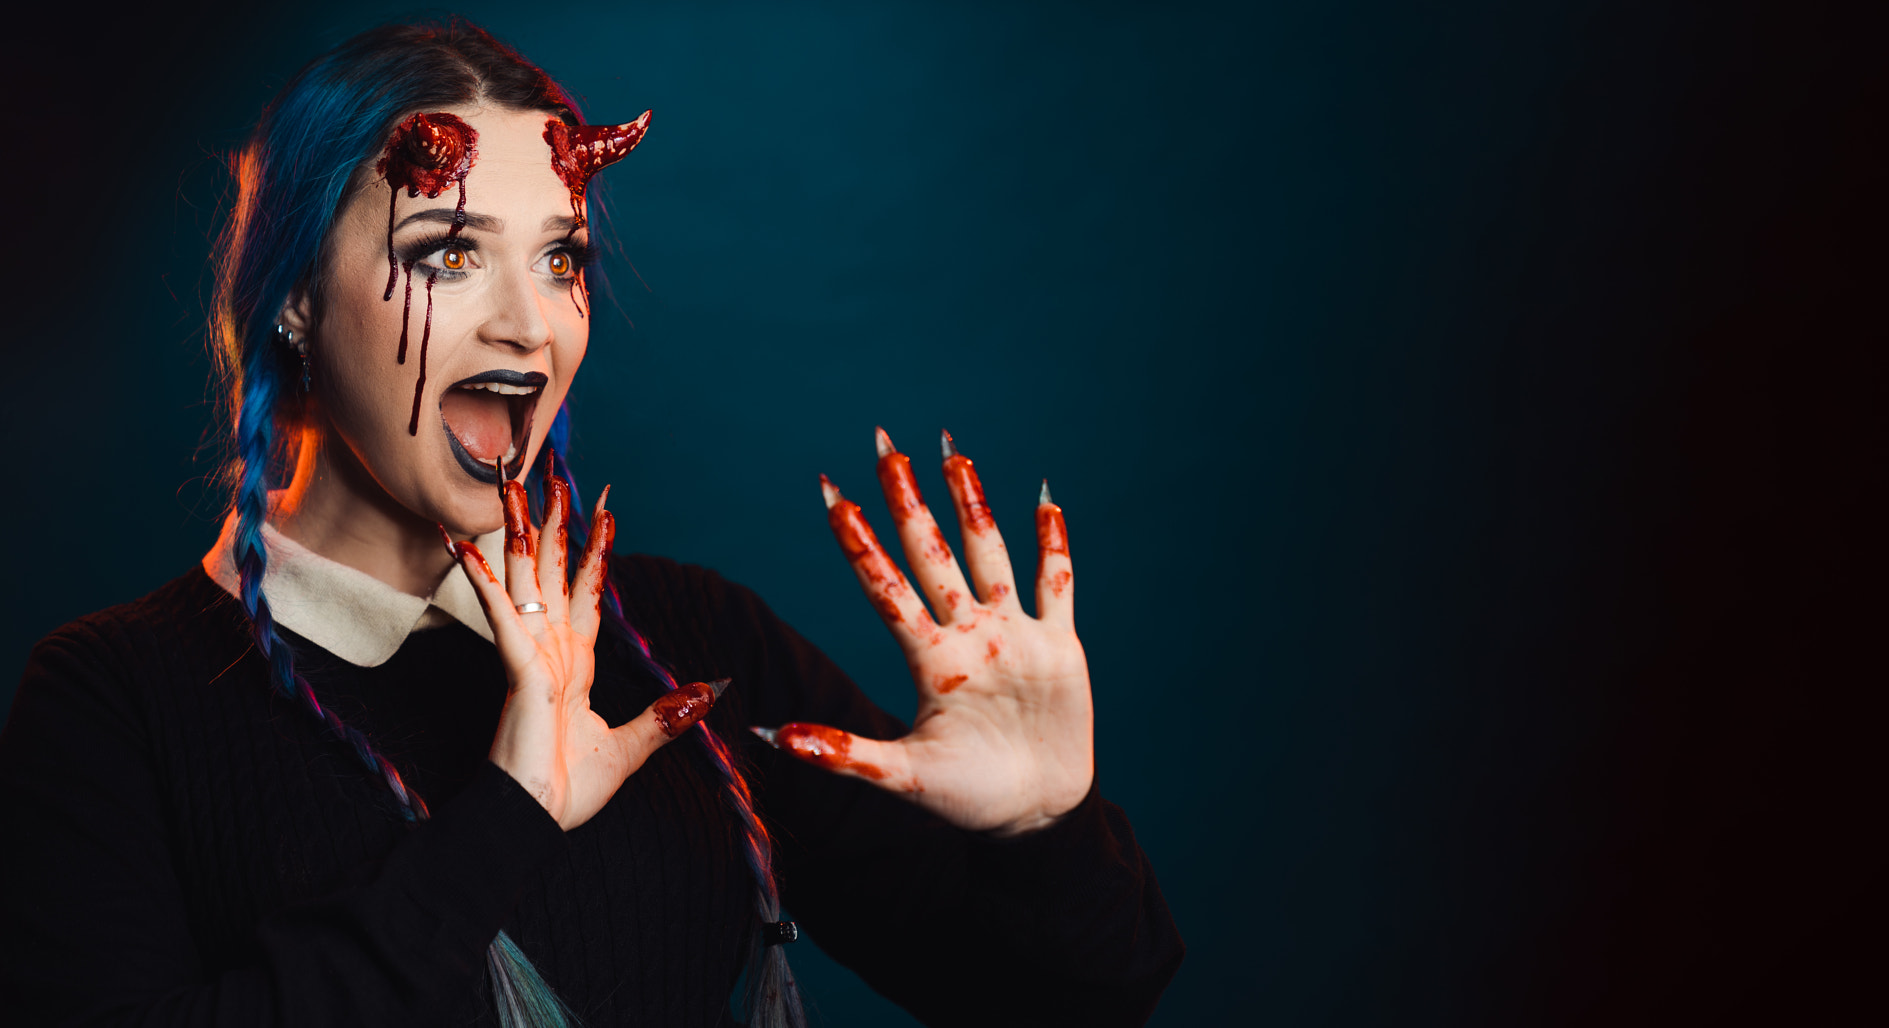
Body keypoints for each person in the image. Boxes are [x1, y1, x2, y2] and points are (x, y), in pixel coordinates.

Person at [0, 20, 1182, 1028]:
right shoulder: (115, 703)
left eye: (559, 256)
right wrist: (502, 820)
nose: (530, 322)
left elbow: (1069, 997)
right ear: (297, 299)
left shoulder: (685, 642)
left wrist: (1046, 823)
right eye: (448, 252)